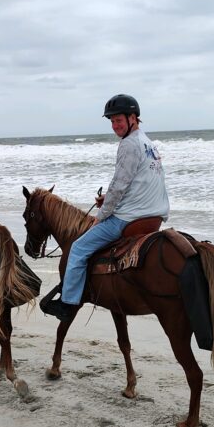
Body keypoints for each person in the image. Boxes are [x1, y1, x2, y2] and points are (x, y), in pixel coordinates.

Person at [43, 93, 170, 320]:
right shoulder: (148, 143)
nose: (114, 125)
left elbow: (119, 185)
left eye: (118, 120)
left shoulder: (129, 145)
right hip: (155, 216)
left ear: (133, 118)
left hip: (129, 219)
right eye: (111, 121)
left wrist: (100, 216)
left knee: (79, 248)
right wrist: (111, 200)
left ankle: (67, 303)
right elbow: (139, 182)